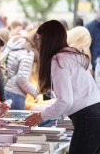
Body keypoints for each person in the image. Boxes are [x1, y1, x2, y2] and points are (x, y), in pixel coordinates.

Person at [25, 20, 100, 154]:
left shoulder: (59, 59)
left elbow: (65, 101)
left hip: (87, 118)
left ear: (49, 40)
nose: (38, 44)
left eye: (40, 40)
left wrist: (41, 116)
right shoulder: (71, 55)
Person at [4, 29, 39, 110]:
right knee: (17, 122)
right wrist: (35, 93)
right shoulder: (27, 52)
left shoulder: (16, 45)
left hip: (5, 90)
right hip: (15, 95)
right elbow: (22, 80)